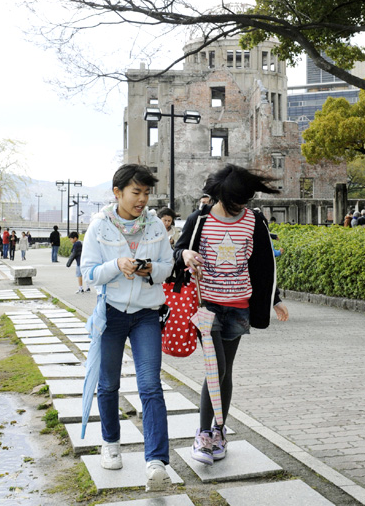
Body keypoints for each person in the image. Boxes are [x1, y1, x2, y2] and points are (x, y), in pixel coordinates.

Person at [174, 164, 288, 466]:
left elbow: (263, 266)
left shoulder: (253, 221)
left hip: (239, 306)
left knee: (226, 371)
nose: (244, 205)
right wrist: (184, 254)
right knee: (216, 368)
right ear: (223, 196)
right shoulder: (200, 219)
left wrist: (274, 300)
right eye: (239, 200)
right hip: (206, 306)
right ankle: (202, 434)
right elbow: (178, 250)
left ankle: (219, 432)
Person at [81, 164, 173, 491]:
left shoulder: (155, 227)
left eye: (147, 193)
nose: (142, 199)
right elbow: (88, 273)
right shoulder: (99, 227)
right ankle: (111, 443)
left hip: (147, 313)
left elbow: (168, 266)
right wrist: (116, 265)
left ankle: (157, 462)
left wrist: (150, 269)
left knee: (150, 385)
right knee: (108, 385)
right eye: (136, 192)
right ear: (117, 193)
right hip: (111, 313)